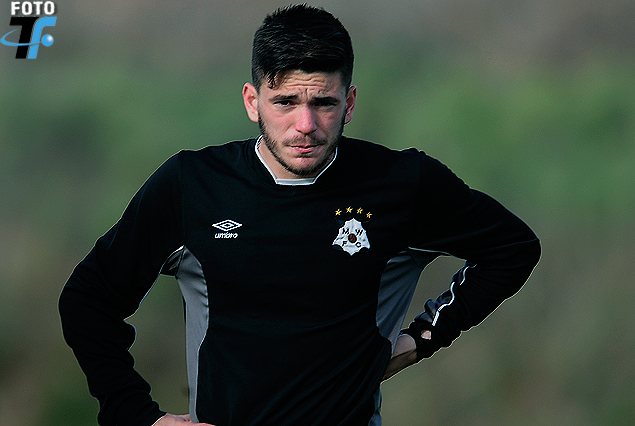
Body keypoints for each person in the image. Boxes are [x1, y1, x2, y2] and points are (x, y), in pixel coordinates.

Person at [59, 4, 541, 426]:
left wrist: (422, 338)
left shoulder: (402, 183)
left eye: (323, 103)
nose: (305, 125)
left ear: (349, 103)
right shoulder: (193, 186)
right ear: (253, 102)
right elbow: (88, 300)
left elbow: (512, 248)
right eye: (285, 102)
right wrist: (138, 415)